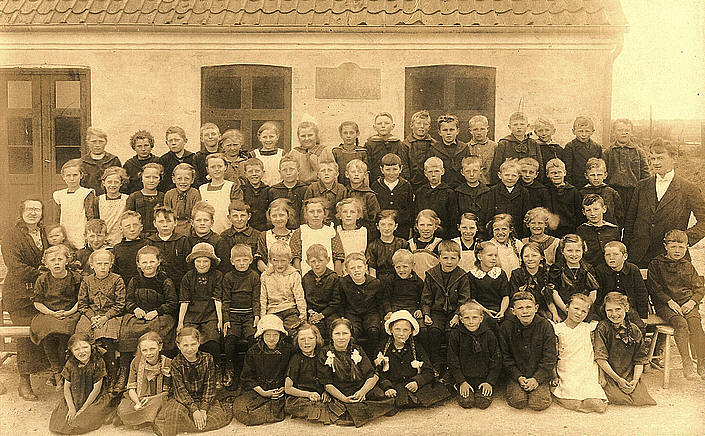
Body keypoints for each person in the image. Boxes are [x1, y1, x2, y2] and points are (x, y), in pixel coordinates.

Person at [625, 138, 705, 268]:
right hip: (638, 256)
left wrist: (683, 239)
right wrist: (627, 249)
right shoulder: (641, 186)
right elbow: (630, 221)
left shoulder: (689, 188)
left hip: (671, 258)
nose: (655, 162)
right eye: (652, 158)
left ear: (674, 158)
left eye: (660, 158)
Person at [2, 198, 50, 400]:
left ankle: (54, 374)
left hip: (42, 294)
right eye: (29, 209)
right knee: (26, 332)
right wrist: (43, 275)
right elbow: (15, 266)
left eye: (37, 209)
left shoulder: (45, 233)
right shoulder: (11, 235)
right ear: (21, 212)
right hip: (20, 295)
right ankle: (24, 381)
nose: (33, 213)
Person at [646, 229, 705, 379]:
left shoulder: (688, 265)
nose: (677, 251)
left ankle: (702, 363)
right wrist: (669, 301)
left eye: (681, 247)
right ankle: (687, 363)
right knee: (681, 323)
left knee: (695, 323)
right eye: (673, 247)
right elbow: (654, 288)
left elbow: (699, 289)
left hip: (686, 304)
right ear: (665, 246)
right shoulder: (656, 264)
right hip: (665, 305)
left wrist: (692, 302)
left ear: (686, 247)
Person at [117, 246, 177, 391]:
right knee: (127, 331)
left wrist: (157, 311)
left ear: (158, 262)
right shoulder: (135, 281)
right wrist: (135, 309)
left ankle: (161, 371)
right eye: (144, 262)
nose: (148, 265)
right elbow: (129, 301)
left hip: (159, 316)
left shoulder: (165, 281)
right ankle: (125, 371)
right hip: (139, 315)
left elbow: (172, 303)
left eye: (151, 261)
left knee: (157, 332)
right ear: (138, 264)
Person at [154, 327, 232, 436]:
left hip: (203, 398)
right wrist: (194, 410)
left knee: (218, 417)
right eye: (185, 345)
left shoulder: (207, 359)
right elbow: (180, 390)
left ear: (199, 343)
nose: (190, 349)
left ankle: (185, 424)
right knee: (174, 412)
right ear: (178, 346)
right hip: (183, 400)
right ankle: (190, 423)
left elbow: (209, 387)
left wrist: (203, 409)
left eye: (193, 344)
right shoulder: (176, 363)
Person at [320, 318, 395, 427]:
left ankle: (355, 411)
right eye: (337, 334)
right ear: (331, 335)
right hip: (340, 391)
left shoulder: (357, 350)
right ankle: (353, 411)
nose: (341, 337)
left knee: (386, 399)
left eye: (345, 333)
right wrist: (344, 399)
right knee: (336, 405)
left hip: (359, 388)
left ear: (350, 335)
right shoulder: (324, 353)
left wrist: (362, 392)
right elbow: (327, 383)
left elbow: (372, 375)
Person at [30, 244, 81, 390]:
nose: (56, 263)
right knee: (47, 333)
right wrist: (51, 313)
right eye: (52, 260)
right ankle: (56, 371)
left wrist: (69, 312)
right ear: (46, 263)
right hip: (49, 314)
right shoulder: (43, 279)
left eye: (60, 259)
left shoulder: (75, 278)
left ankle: (62, 370)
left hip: (70, 313)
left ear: (67, 260)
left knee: (64, 333)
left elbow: (81, 299)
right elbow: (37, 302)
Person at [376, 310, 450, 409]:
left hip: (411, 383)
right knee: (380, 395)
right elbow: (377, 372)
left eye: (405, 330)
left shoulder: (416, 347)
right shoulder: (383, 347)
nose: (401, 334)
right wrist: (387, 387)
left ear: (411, 331)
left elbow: (428, 371)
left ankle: (407, 400)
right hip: (393, 385)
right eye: (397, 329)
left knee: (437, 390)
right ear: (391, 329)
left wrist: (417, 382)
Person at [75, 249, 126, 392]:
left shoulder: (117, 280)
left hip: (110, 315)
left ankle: (111, 375)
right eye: (99, 264)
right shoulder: (87, 280)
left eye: (106, 263)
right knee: (82, 335)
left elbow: (120, 304)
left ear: (111, 264)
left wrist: (105, 317)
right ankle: (88, 375)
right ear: (92, 265)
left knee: (105, 336)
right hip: (91, 315)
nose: (103, 267)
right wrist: (92, 317)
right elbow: (82, 304)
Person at [594, 292, 657, 405]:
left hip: (628, 373)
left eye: (618, 309)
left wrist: (635, 380)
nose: (614, 314)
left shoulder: (634, 330)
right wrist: (618, 380)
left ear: (626, 308)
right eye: (609, 310)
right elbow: (600, 358)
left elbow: (639, 359)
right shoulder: (603, 328)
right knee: (619, 398)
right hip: (610, 374)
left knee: (642, 399)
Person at [498, 292, 557, 411]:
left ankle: (540, 384)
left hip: (538, 372)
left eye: (529, 307)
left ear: (536, 308)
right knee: (517, 401)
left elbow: (549, 357)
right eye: (520, 308)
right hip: (517, 373)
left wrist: (537, 378)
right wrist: (518, 377)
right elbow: (505, 357)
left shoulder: (545, 326)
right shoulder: (506, 327)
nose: (525, 311)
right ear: (513, 311)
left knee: (539, 403)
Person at [232, 314, 293, 425]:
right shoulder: (253, 351)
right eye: (267, 335)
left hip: (281, 390)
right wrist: (263, 393)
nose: (271, 338)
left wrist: (284, 388)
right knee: (240, 410)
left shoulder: (288, 350)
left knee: (285, 406)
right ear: (261, 335)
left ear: (280, 335)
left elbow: (292, 372)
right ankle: (268, 410)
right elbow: (247, 377)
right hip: (260, 389)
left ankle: (272, 410)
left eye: (275, 335)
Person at [551, 294, 608, 413]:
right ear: (567, 308)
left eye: (584, 311)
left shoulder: (589, 328)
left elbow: (598, 353)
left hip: (587, 369)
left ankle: (588, 399)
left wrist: (601, 375)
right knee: (573, 400)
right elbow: (553, 355)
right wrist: (554, 375)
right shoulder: (558, 329)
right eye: (576, 308)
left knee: (599, 406)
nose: (579, 313)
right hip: (568, 369)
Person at [421, 240, 471, 371]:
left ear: (459, 259)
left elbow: (464, 299)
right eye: (445, 258)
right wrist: (426, 314)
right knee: (434, 331)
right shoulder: (431, 274)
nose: (449, 262)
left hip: (454, 312)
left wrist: (457, 315)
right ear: (439, 258)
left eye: (453, 258)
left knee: (452, 332)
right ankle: (435, 364)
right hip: (436, 312)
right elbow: (426, 297)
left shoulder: (462, 276)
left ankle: (452, 366)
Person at [178, 243, 224, 384]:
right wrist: (180, 322)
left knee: (212, 339)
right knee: (187, 338)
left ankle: (216, 369)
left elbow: (217, 299)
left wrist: (220, 320)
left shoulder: (217, 275)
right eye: (198, 261)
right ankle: (190, 372)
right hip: (192, 313)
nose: (202, 264)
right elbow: (184, 301)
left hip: (210, 312)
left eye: (205, 261)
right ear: (193, 262)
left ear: (211, 262)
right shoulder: (188, 277)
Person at [49, 333, 112, 434]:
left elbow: (96, 390)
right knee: (58, 423)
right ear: (71, 351)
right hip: (76, 397)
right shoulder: (70, 363)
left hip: (93, 399)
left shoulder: (98, 362)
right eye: (76, 349)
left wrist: (82, 409)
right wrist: (71, 408)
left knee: (83, 421)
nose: (82, 352)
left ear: (91, 347)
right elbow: (67, 388)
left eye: (85, 347)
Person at [446, 302, 502, 409]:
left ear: (481, 318)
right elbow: (452, 360)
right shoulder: (456, 335)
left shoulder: (489, 334)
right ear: (461, 319)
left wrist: (489, 382)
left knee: (482, 402)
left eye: (475, 317)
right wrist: (461, 381)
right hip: (465, 377)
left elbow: (496, 359)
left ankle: (483, 387)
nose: (471, 322)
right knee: (466, 402)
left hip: (484, 377)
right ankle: (463, 386)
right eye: (467, 318)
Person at [222, 244, 261, 389]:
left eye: (245, 260)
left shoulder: (254, 276)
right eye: (238, 260)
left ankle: (249, 371)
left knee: (252, 338)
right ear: (232, 261)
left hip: (249, 315)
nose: (242, 263)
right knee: (230, 339)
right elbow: (226, 300)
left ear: (250, 260)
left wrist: (256, 315)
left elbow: (256, 298)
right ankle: (230, 369)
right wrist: (226, 319)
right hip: (233, 315)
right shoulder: (228, 277)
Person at [116, 332, 171, 430]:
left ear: (160, 347)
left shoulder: (167, 363)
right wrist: (138, 402)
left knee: (160, 406)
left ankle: (143, 420)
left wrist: (151, 399)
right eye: (144, 350)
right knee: (123, 409)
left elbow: (168, 392)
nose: (148, 353)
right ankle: (146, 420)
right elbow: (131, 388)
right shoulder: (136, 362)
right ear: (140, 350)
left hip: (158, 398)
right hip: (138, 397)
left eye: (152, 349)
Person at [332, 253, 384, 357]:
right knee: (352, 331)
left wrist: (381, 317)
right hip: (352, 313)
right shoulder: (343, 283)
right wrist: (342, 316)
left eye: (359, 267)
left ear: (365, 267)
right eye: (352, 268)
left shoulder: (375, 283)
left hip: (370, 313)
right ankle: (352, 357)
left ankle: (371, 357)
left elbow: (380, 303)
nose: (356, 270)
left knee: (373, 330)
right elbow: (341, 302)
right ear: (347, 270)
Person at [284, 323, 337, 423]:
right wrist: (308, 394)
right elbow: (288, 388)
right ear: (297, 341)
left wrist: (327, 392)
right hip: (303, 396)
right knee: (303, 406)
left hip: (320, 395)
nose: (306, 342)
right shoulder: (296, 359)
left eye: (311, 338)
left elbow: (329, 379)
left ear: (317, 339)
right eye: (302, 339)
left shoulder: (322, 356)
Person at [594, 241, 650, 331]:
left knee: (639, 329)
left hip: (628, 308)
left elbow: (641, 293)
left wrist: (643, 316)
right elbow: (598, 296)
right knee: (606, 329)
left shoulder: (632, 269)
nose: (611, 258)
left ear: (625, 256)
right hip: (607, 309)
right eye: (607, 255)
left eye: (615, 254)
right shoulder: (600, 271)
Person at [549, 234, 600, 320]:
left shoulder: (588, 268)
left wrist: (584, 309)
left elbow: (593, 291)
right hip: (563, 308)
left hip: (583, 310)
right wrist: (566, 310)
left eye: (578, 251)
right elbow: (554, 292)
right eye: (569, 250)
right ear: (562, 251)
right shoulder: (556, 269)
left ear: (583, 251)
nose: (574, 254)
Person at [260, 241, 307, 333]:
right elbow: (263, 297)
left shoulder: (294, 275)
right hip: (273, 311)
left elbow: (299, 296)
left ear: (289, 259)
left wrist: (303, 314)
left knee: (291, 329)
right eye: (275, 260)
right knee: (273, 330)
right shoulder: (265, 276)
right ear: (270, 260)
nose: (279, 264)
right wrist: (263, 316)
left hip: (290, 310)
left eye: (283, 261)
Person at [603, 118, 649, 212]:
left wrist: (643, 192)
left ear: (631, 132)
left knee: (631, 216)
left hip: (633, 192)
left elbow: (645, 174)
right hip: (613, 191)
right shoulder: (608, 152)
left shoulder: (639, 152)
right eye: (620, 130)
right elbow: (603, 173)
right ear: (614, 132)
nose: (624, 133)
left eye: (627, 130)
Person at [291, 197, 344, 276]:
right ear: (306, 214)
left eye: (319, 211)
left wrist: (336, 277)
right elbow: (296, 258)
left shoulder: (331, 231)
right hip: (306, 275)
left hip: (328, 276)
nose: (315, 215)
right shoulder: (300, 232)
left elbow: (338, 258)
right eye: (311, 212)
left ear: (324, 214)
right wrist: (299, 277)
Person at [509, 242, 559, 322]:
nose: (530, 259)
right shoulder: (516, 274)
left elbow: (549, 299)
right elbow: (514, 299)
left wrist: (555, 314)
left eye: (534, 255)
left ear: (541, 257)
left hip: (543, 310)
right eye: (526, 256)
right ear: (521, 258)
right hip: (523, 310)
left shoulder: (546, 273)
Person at [466, 241, 511, 331]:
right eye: (490, 255)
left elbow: (505, 296)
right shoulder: (471, 275)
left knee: (510, 322)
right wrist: (486, 311)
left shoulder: (500, 273)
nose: (494, 258)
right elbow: (472, 299)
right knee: (488, 322)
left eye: (496, 255)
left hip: (500, 307)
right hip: (480, 308)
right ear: (480, 256)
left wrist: (502, 311)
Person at [480, 159, 531, 238]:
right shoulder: (493, 191)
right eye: (507, 175)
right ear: (500, 175)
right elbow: (489, 213)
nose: (510, 178)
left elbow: (525, 214)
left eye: (513, 175)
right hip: (498, 231)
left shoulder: (524, 192)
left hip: (517, 230)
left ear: (518, 176)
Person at [54, 159, 96, 250]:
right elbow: (57, 217)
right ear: (63, 177)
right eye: (68, 175)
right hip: (65, 231)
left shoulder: (86, 193)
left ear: (81, 175)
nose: (72, 179)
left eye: (75, 175)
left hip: (80, 231)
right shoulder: (59, 195)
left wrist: (89, 234)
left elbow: (90, 216)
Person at [490, 112, 542, 185]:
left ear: (528, 126)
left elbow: (540, 166)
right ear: (509, 127)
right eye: (515, 124)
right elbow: (496, 167)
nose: (519, 127)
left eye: (522, 124)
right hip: (510, 183)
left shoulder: (533, 143)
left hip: (529, 184)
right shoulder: (504, 143)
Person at [382, 249, 425, 339]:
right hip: (395, 309)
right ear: (394, 266)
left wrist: (419, 309)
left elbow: (422, 298)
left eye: (405, 266)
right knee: (386, 328)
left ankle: (416, 347)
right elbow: (386, 298)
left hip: (412, 309)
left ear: (412, 265)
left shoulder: (418, 281)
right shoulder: (390, 280)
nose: (401, 270)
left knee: (423, 329)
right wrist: (388, 311)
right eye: (398, 267)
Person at [146, 206, 190, 291]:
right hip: (157, 285)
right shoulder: (150, 242)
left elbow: (188, 265)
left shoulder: (182, 241)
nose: (165, 225)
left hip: (178, 284)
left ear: (175, 222)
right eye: (161, 221)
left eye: (169, 221)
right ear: (154, 223)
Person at [302, 244, 341, 340]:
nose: (317, 264)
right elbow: (304, 299)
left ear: (327, 260)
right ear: (307, 262)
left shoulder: (333, 277)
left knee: (333, 326)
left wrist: (322, 315)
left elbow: (336, 302)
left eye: (320, 260)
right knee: (315, 330)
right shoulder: (306, 278)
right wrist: (310, 311)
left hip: (329, 312)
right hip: (313, 312)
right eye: (313, 261)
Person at [371, 153, 414, 239]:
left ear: (401, 169)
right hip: (382, 229)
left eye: (395, 169)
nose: (391, 173)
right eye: (388, 169)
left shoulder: (406, 185)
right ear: (382, 170)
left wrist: (410, 227)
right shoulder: (376, 186)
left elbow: (410, 208)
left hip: (401, 228)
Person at [198, 153, 243, 234]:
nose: (216, 169)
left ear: (225, 167)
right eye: (212, 167)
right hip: (208, 232)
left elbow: (237, 209)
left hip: (228, 231)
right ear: (207, 169)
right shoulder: (202, 189)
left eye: (219, 166)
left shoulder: (232, 187)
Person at [415, 157, 458, 239]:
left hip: (444, 235)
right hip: (424, 233)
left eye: (436, 171)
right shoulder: (420, 192)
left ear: (442, 171)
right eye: (430, 172)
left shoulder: (449, 193)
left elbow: (452, 218)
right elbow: (416, 215)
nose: (433, 175)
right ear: (425, 173)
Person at [215, 200, 260, 274]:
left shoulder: (257, 235)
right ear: (229, 217)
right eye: (235, 216)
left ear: (249, 216)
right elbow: (223, 263)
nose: (239, 219)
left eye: (243, 215)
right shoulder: (224, 236)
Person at [366, 210, 410, 285]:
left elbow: (407, 266)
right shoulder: (373, 246)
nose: (386, 228)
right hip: (380, 282)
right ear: (377, 226)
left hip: (399, 281)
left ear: (395, 226)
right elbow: (372, 270)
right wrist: (374, 285)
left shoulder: (402, 244)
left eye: (390, 224)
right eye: (383, 224)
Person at [576, 194, 620, 268]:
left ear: (604, 209)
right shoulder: (581, 230)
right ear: (583, 212)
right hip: (590, 269)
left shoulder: (613, 229)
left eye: (596, 209)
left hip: (609, 269)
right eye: (588, 210)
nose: (592, 214)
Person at [365, 112, 410, 183]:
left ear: (392, 126)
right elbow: (368, 168)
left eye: (386, 123)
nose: (383, 126)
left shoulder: (399, 145)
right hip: (375, 182)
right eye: (379, 124)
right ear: (374, 127)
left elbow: (404, 167)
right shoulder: (369, 145)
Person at [579, 157, 623, 229]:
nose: (596, 178)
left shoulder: (612, 193)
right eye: (592, 175)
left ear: (605, 175)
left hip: (608, 230)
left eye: (599, 175)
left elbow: (619, 215)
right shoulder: (581, 193)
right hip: (588, 230)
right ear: (586, 176)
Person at [429, 113, 470, 189]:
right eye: (445, 130)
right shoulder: (434, 148)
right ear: (439, 132)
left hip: (461, 188)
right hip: (441, 189)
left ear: (457, 131)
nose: (448, 133)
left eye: (451, 130)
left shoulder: (464, 148)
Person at [545, 158, 582, 238]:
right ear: (547, 174)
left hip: (570, 230)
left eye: (559, 172)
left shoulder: (573, 192)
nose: (556, 175)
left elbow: (579, 214)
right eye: (553, 173)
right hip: (550, 232)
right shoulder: (545, 191)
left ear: (564, 173)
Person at [256, 198, 297, 271]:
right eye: (274, 216)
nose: (278, 219)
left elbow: (297, 260)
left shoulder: (296, 234)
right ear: (269, 217)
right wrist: (269, 273)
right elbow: (260, 260)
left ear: (288, 215)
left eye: (281, 215)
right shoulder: (264, 235)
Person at [125, 162, 165, 237]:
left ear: (160, 179)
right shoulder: (134, 197)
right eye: (147, 177)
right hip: (138, 236)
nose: (151, 180)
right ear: (141, 178)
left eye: (155, 177)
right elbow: (127, 218)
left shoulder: (163, 196)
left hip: (158, 236)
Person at [345, 158, 382, 238]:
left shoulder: (369, 195)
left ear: (365, 175)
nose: (356, 174)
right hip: (345, 232)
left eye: (360, 172)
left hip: (364, 233)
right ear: (347, 174)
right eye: (353, 172)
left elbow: (374, 218)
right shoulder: (344, 192)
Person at [304, 159, 347, 226]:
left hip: (337, 225)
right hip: (317, 225)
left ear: (336, 174)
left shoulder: (342, 189)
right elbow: (305, 209)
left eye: (330, 170)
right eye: (323, 171)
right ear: (318, 175)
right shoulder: (312, 188)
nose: (326, 173)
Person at [80, 127, 121, 195]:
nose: (97, 145)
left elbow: (120, 181)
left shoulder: (113, 160)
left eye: (101, 141)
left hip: (109, 197)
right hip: (89, 197)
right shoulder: (82, 162)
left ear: (106, 142)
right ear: (87, 143)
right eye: (93, 142)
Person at [267, 155, 308, 225]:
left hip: (301, 226)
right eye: (284, 170)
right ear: (280, 172)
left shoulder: (305, 189)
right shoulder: (273, 190)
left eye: (291, 169)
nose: (288, 173)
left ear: (298, 171)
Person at [163, 163, 201, 236]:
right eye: (179, 178)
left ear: (192, 180)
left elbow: (196, 215)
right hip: (173, 229)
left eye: (187, 179)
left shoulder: (195, 193)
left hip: (191, 229)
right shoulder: (169, 194)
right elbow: (167, 215)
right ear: (173, 179)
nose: (183, 182)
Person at [564, 116, 602, 189]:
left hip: (593, 184)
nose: (584, 134)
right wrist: (571, 188)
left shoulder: (597, 147)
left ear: (592, 131)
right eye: (580, 131)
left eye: (587, 131)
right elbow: (568, 170)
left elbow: (600, 168)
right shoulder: (570, 147)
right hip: (576, 185)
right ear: (573, 131)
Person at [95, 166, 129, 246]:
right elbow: (96, 221)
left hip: (121, 239)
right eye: (109, 182)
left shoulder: (127, 199)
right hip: (103, 240)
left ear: (121, 183)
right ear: (104, 183)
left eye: (116, 182)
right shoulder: (98, 200)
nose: (112, 185)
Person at [112, 211, 147, 287]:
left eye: (135, 225)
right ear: (121, 229)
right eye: (128, 226)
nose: (132, 229)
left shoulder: (147, 244)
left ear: (141, 227)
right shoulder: (117, 249)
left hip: (145, 287)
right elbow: (115, 273)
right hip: (124, 287)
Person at [158, 126, 196, 192]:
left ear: (185, 141)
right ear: (166, 143)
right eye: (170, 140)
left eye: (177, 140)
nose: (173, 143)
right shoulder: (163, 160)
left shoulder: (193, 158)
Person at [405, 110, 436, 191]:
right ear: (412, 125)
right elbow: (404, 169)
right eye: (418, 123)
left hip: (430, 186)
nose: (422, 126)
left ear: (429, 127)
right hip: (411, 186)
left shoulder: (434, 145)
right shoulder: (405, 145)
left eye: (425, 124)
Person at [408, 209, 442, 280]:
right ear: (417, 226)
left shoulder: (439, 244)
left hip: (433, 283)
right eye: (422, 225)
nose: (425, 228)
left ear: (435, 226)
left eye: (429, 225)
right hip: (413, 283)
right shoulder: (409, 244)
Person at [487, 214, 523, 278]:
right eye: (496, 229)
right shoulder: (489, 246)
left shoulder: (517, 244)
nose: (500, 232)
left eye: (504, 229)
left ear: (510, 230)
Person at [123, 130, 159, 194]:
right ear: (134, 147)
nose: (143, 149)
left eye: (146, 145)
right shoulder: (129, 165)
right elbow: (125, 186)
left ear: (151, 146)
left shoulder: (158, 161)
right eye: (139, 146)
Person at [333, 120, 368, 186]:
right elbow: (334, 173)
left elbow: (366, 174)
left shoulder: (362, 152)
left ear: (357, 134)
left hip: (358, 186)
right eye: (345, 133)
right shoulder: (336, 151)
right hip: (340, 186)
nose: (348, 136)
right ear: (341, 135)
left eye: (351, 133)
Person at [251, 121, 284, 187]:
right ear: (259, 138)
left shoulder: (282, 153)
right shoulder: (254, 154)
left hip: (278, 188)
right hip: (260, 188)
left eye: (271, 137)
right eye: (265, 137)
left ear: (277, 137)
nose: (268, 140)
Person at [241, 157, 270, 232]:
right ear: (245, 174)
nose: (254, 174)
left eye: (257, 171)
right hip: (247, 229)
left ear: (263, 173)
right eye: (250, 171)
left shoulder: (268, 190)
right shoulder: (242, 190)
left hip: (265, 228)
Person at [335, 198, 368, 266]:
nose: (348, 215)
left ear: (358, 215)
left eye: (352, 212)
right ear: (339, 215)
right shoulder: (335, 232)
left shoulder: (364, 232)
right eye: (345, 212)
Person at [534, 117, 566, 185]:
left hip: (555, 180)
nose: (544, 133)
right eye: (540, 131)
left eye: (547, 130)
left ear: (553, 131)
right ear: (535, 132)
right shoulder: (534, 147)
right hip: (539, 181)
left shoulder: (558, 148)